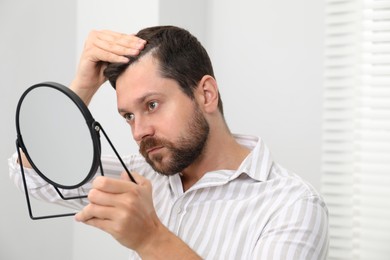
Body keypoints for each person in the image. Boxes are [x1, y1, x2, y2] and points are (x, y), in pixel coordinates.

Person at [9, 25, 329, 259]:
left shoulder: (292, 205)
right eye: (128, 116)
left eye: (151, 105)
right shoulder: (140, 177)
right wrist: (82, 87)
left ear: (206, 94)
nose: (138, 132)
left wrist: (150, 239)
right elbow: (32, 176)